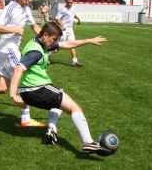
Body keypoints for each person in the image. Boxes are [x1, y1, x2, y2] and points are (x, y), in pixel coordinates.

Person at [9, 21, 110, 155]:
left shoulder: (39, 42)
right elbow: (18, 69)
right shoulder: (36, 51)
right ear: (45, 34)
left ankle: (51, 128)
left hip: (30, 91)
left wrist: (89, 40)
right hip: (37, 89)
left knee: (58, 102)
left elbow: (66, 44)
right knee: (75, 108)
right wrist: (13, 93)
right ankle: (88, 142)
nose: (55, 43)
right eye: (54, 39)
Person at [48, 0, 83, 66]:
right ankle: (47, 55)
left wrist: (78, 19)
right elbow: (57, 18)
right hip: (63, 30)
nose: (69, 4)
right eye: (68, 2)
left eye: (70, 3)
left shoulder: (73, 8)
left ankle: (74, 61)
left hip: (70, 29)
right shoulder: (63, 9)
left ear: (72, 2)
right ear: (66, 2)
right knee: (60, 46)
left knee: (73, 44)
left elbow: (73, 14)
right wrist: (62, 25)